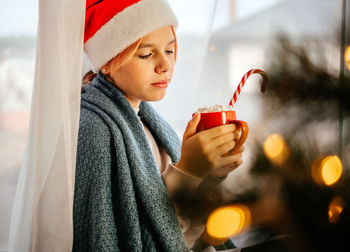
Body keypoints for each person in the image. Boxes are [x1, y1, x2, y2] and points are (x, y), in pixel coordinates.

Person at [73, 0, 244, 251]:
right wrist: (189, 171)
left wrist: (209, 173)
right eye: (146, 54)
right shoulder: (93, 132)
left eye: (170, 50)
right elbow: (139, 242)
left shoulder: (149, 122)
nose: (165, 66)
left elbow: (186, 232)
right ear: (105, 62)